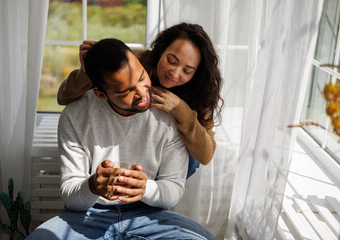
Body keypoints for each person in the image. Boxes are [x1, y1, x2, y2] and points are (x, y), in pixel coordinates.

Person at [26, 38, 216, 239]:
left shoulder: (173, 115)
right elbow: (71, 195)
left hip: (150, 212)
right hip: (88, 215)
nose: (142, 93)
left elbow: (174, 187)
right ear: (101, 94)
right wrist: (92, 186)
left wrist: (145, 188)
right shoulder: (75, 116)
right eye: (126, 91)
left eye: (142, 78)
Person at [57, 22, 224, 178]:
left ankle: (156, 193)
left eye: (187, 71)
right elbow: (64, 97)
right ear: (161, 50)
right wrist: (86, 71)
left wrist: (181, 111)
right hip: (123, 142)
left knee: (190, 157)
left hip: (164, 161)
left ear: (196, 73)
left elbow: (206, 155)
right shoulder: (137, 61)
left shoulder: (200, 93)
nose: (174, 73)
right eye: (171, 61)